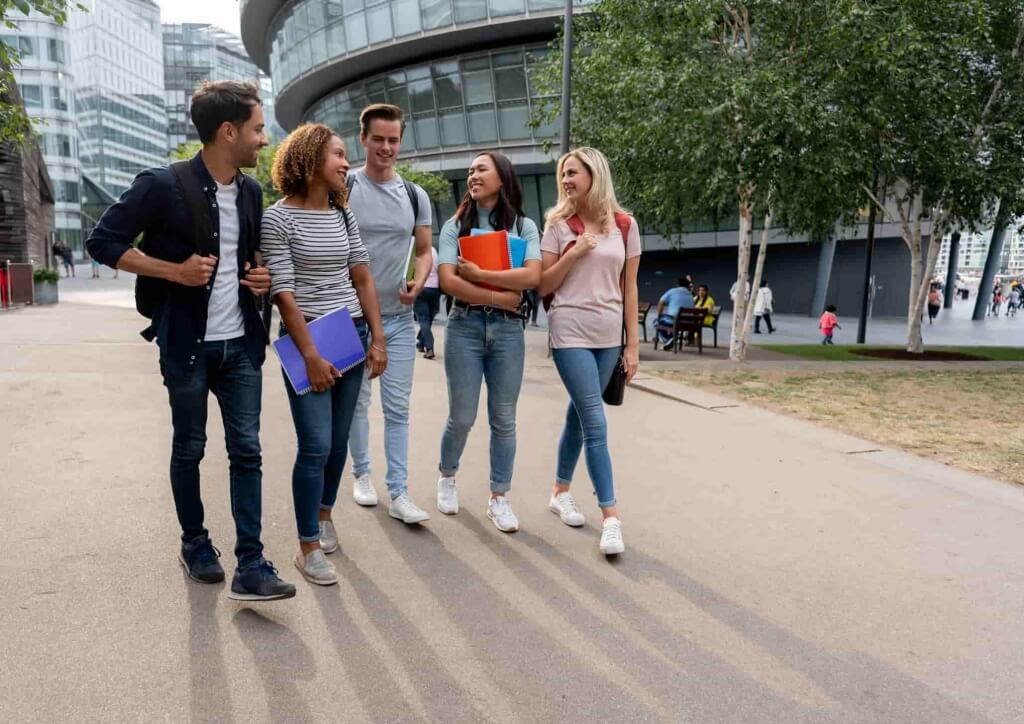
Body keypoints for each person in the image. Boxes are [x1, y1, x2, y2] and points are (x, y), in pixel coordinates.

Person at [86, 80, 295, 601]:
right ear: (228, 132)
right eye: (256, 128)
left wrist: (259, 277)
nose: (263, 139)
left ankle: (252, 562)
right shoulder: (162, 184)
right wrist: (172, 272)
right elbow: (102, 241)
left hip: (241, 344)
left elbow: (248, 257)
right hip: (186, 345)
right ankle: (195, 542)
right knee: (191, 446)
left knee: (247, 451)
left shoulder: (249, 191)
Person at [260, 123, 388, 586]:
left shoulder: (342, 215)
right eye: (337, 154)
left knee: (337, 442)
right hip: (307, 337)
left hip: (350, 332)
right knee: (314, 443)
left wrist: (378, 337)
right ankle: (307, 546)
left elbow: (363, 278)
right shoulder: (278, 219)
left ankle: (325, 512)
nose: (345, 162)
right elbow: (284, 294)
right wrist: (310, 355)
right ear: (311, 158)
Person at [538, 147, 640, 555]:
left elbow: (628, 287)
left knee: (579, 415)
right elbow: (544, 285)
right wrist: (574, 251)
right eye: (563, 174)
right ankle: (611, 517)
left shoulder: (625, 225)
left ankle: (560, 490)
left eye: (572, 173)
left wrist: (632, 345)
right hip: (570, 332)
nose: (565, 181)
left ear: (594, 175)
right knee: (595, 422)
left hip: (608, 336)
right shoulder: (558, 225)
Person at [435, 151, 542, 532]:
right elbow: (448, 281)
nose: (473, 175)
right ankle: (447, 475)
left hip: (509, 332)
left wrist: (479, 274)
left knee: (504, 419)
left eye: (481, 169)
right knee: (461, 416)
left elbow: (531, 277)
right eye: (470, 171)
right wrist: (499, 294)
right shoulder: (455, 226)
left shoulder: (525, 227)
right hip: (464, 326)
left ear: (502, 176)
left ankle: (500, 497)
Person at [344, 104, 433, 524]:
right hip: (349, 318)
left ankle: (399, 492)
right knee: (357, 404)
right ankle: (362, 473)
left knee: (398, 408)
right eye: (377, 139)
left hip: (398, 318)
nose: (386, 147)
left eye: (393, 140)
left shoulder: (414, 195)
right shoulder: (342, 187)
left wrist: (420, 278)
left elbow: (425, 250)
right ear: (362, 139)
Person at [414, 245, 441, 358]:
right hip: (434, 289)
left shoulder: (416, 251)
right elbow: (439, 268)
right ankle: (421, 342)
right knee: (428, 319)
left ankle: (429, 349)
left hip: (421, 288)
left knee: (424, 320)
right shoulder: (434, 250)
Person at [655, 277, 694, 350]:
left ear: (678, 284)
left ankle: (670, 339)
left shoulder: (672, 291)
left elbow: (661, 302)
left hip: (675, 320)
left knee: (656, 322)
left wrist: (660, 315)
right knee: (666, 322)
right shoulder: (690, 295)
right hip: (689, 322)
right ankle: (671, 339)